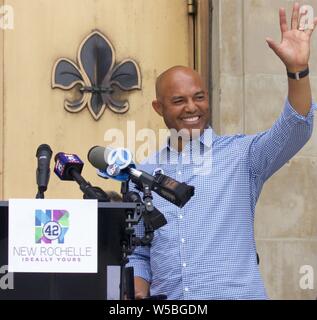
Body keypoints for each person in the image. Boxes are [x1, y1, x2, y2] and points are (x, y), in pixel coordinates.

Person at [127, 3, 317, 299]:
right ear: (158, 108)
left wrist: (297, 71)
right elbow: (139, 254)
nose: (192, 107)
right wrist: (136, 293)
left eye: (199, 97)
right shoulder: (144, 173)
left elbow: (297, 126)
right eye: (179, 100)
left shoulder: (243, 156)